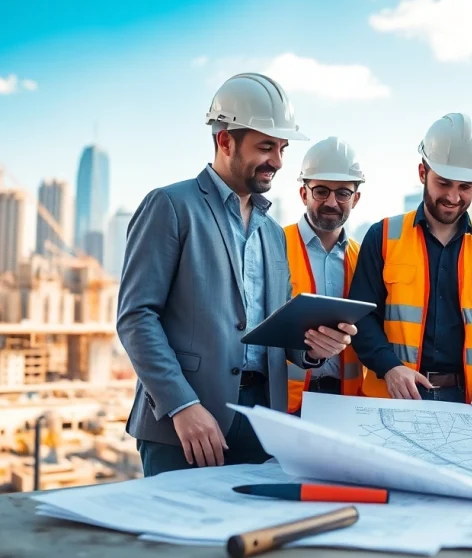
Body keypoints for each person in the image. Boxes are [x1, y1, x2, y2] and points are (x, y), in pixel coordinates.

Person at [117, 73, 357, 476]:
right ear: (224, 140)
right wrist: (182, 405)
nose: (278, 161)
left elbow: (278, 332)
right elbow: (137, 316)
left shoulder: (271, 232)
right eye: (266, 147)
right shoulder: (170, 206)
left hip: (263, 422)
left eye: (281, 148)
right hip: (186, 425)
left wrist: (314, 348)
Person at [347, 113, 472, 415]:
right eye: (443, 183)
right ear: (422, 172)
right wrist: (389, 367)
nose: (453, 197)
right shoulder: (383, 236)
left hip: (469, 402)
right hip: (394, 399)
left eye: (465, 186)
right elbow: (361, 318)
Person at [283, 136, 367, 414]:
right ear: (303, 193)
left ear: (356, 198)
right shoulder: (273, 244)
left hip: (344, 403)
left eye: (342, 192)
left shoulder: (364, 258)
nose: (331, 201)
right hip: (284, 402)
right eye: (321, 191)